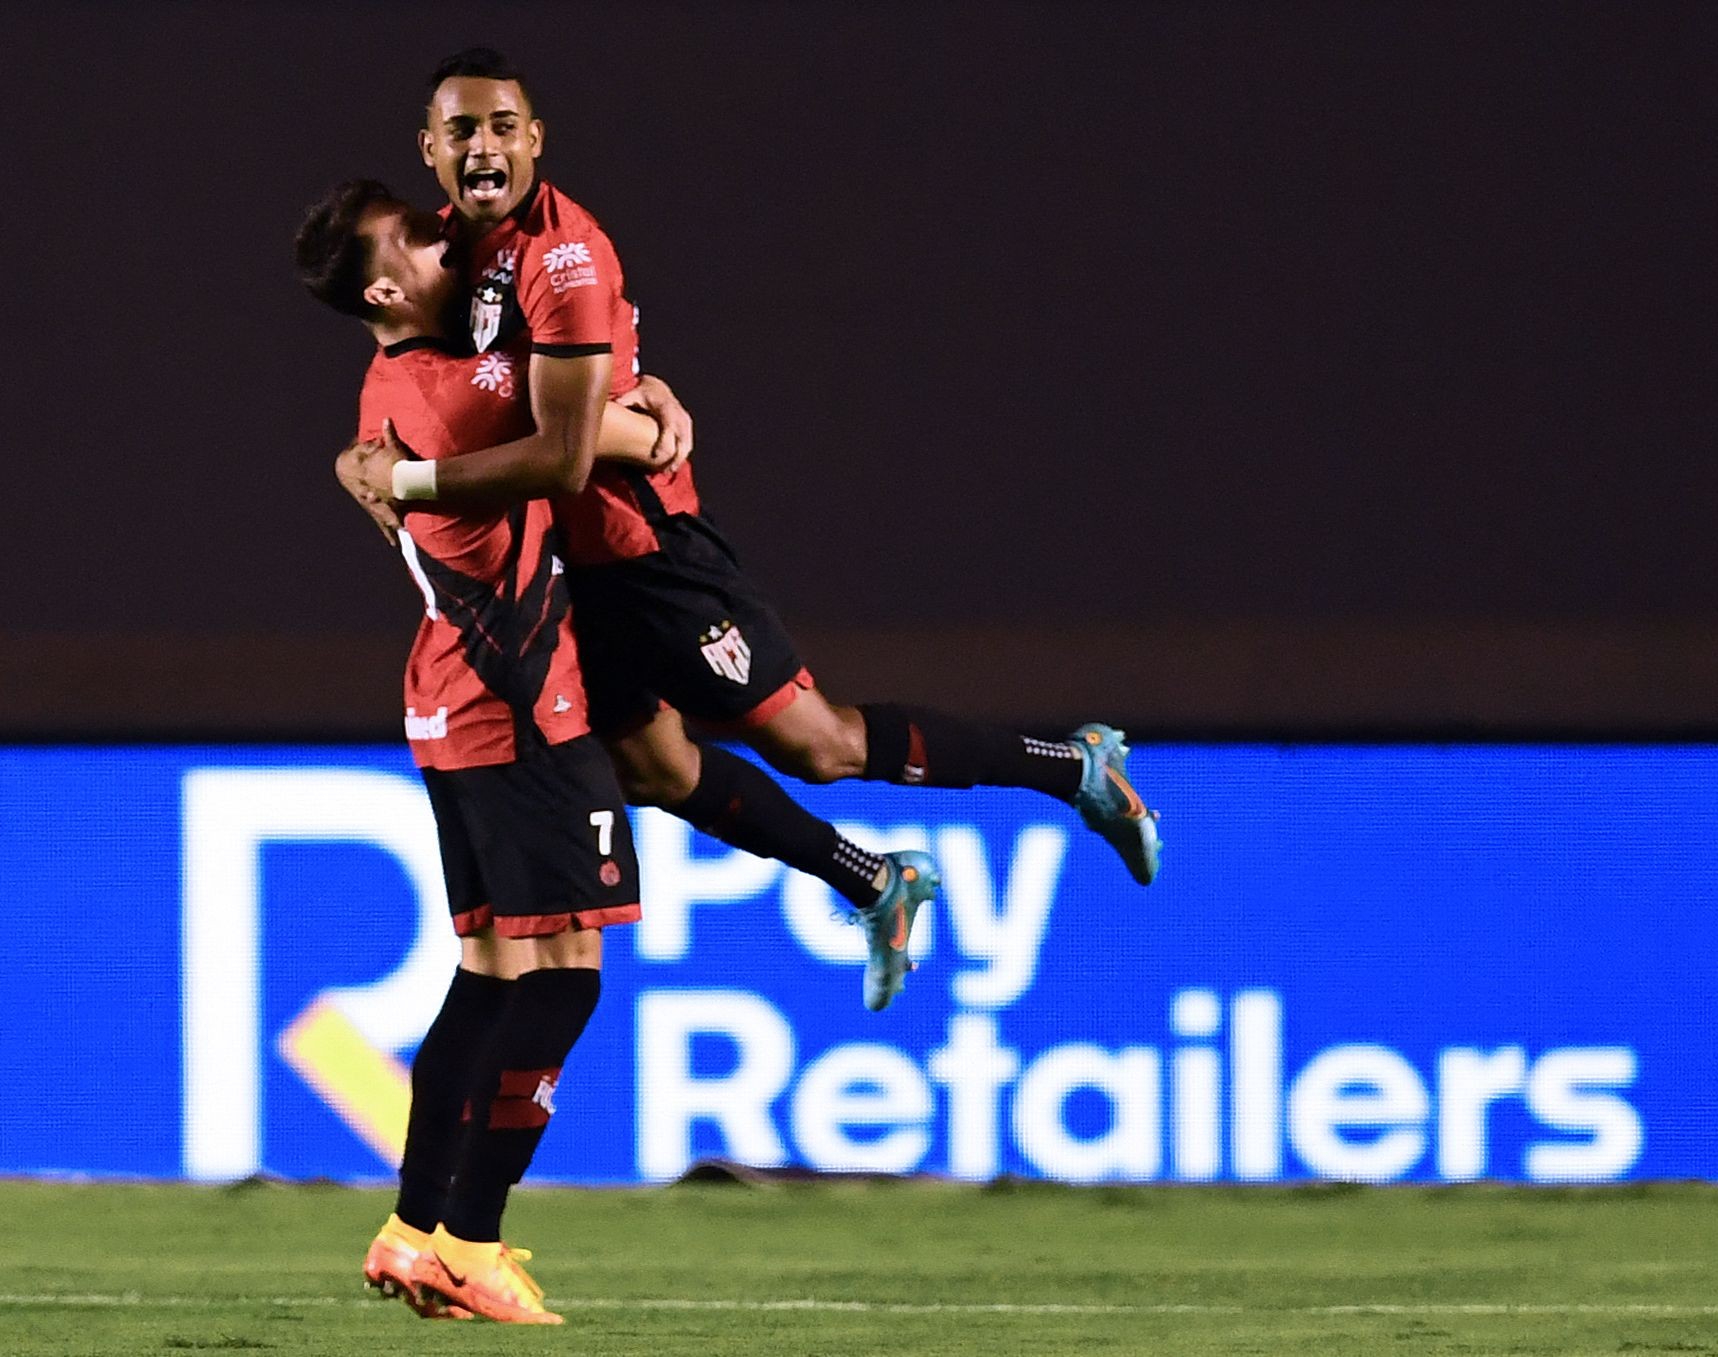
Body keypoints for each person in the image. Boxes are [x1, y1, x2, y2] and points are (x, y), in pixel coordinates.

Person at [357, 49, 1162, 922]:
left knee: (820, 746)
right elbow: (424, 375)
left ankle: (1073, 765)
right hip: (564, 569)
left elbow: (568, 452)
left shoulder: (566, 258)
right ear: (430, 149)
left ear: (536, 140)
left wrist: (413, 477)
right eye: (463, 131)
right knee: (652, 768)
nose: (485, 146)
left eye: (504, 127)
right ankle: (874, 878)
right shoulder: (440, 250)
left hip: (641, 547)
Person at [292, 181, 645, 1326]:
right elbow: (578, 440)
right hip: (518, 711)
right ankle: (473, 1243)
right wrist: (648, 402)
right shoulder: (450, 387)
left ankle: (411, 1228)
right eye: (422, 236)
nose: (452, 236)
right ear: (385, 287)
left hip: (452, 708)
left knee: (491, 973)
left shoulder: (394, 382)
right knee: (566, 979)